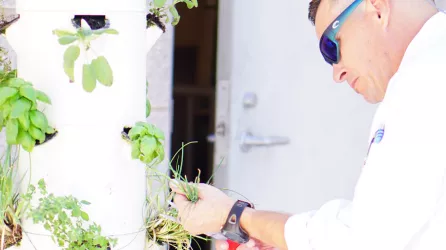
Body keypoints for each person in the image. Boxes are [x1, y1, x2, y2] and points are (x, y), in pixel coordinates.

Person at [171, 0, 446, 249]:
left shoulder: (421, 84)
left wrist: (235, 216)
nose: (337, 72)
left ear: (377, 8)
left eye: (332, 45)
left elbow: (360, 241)